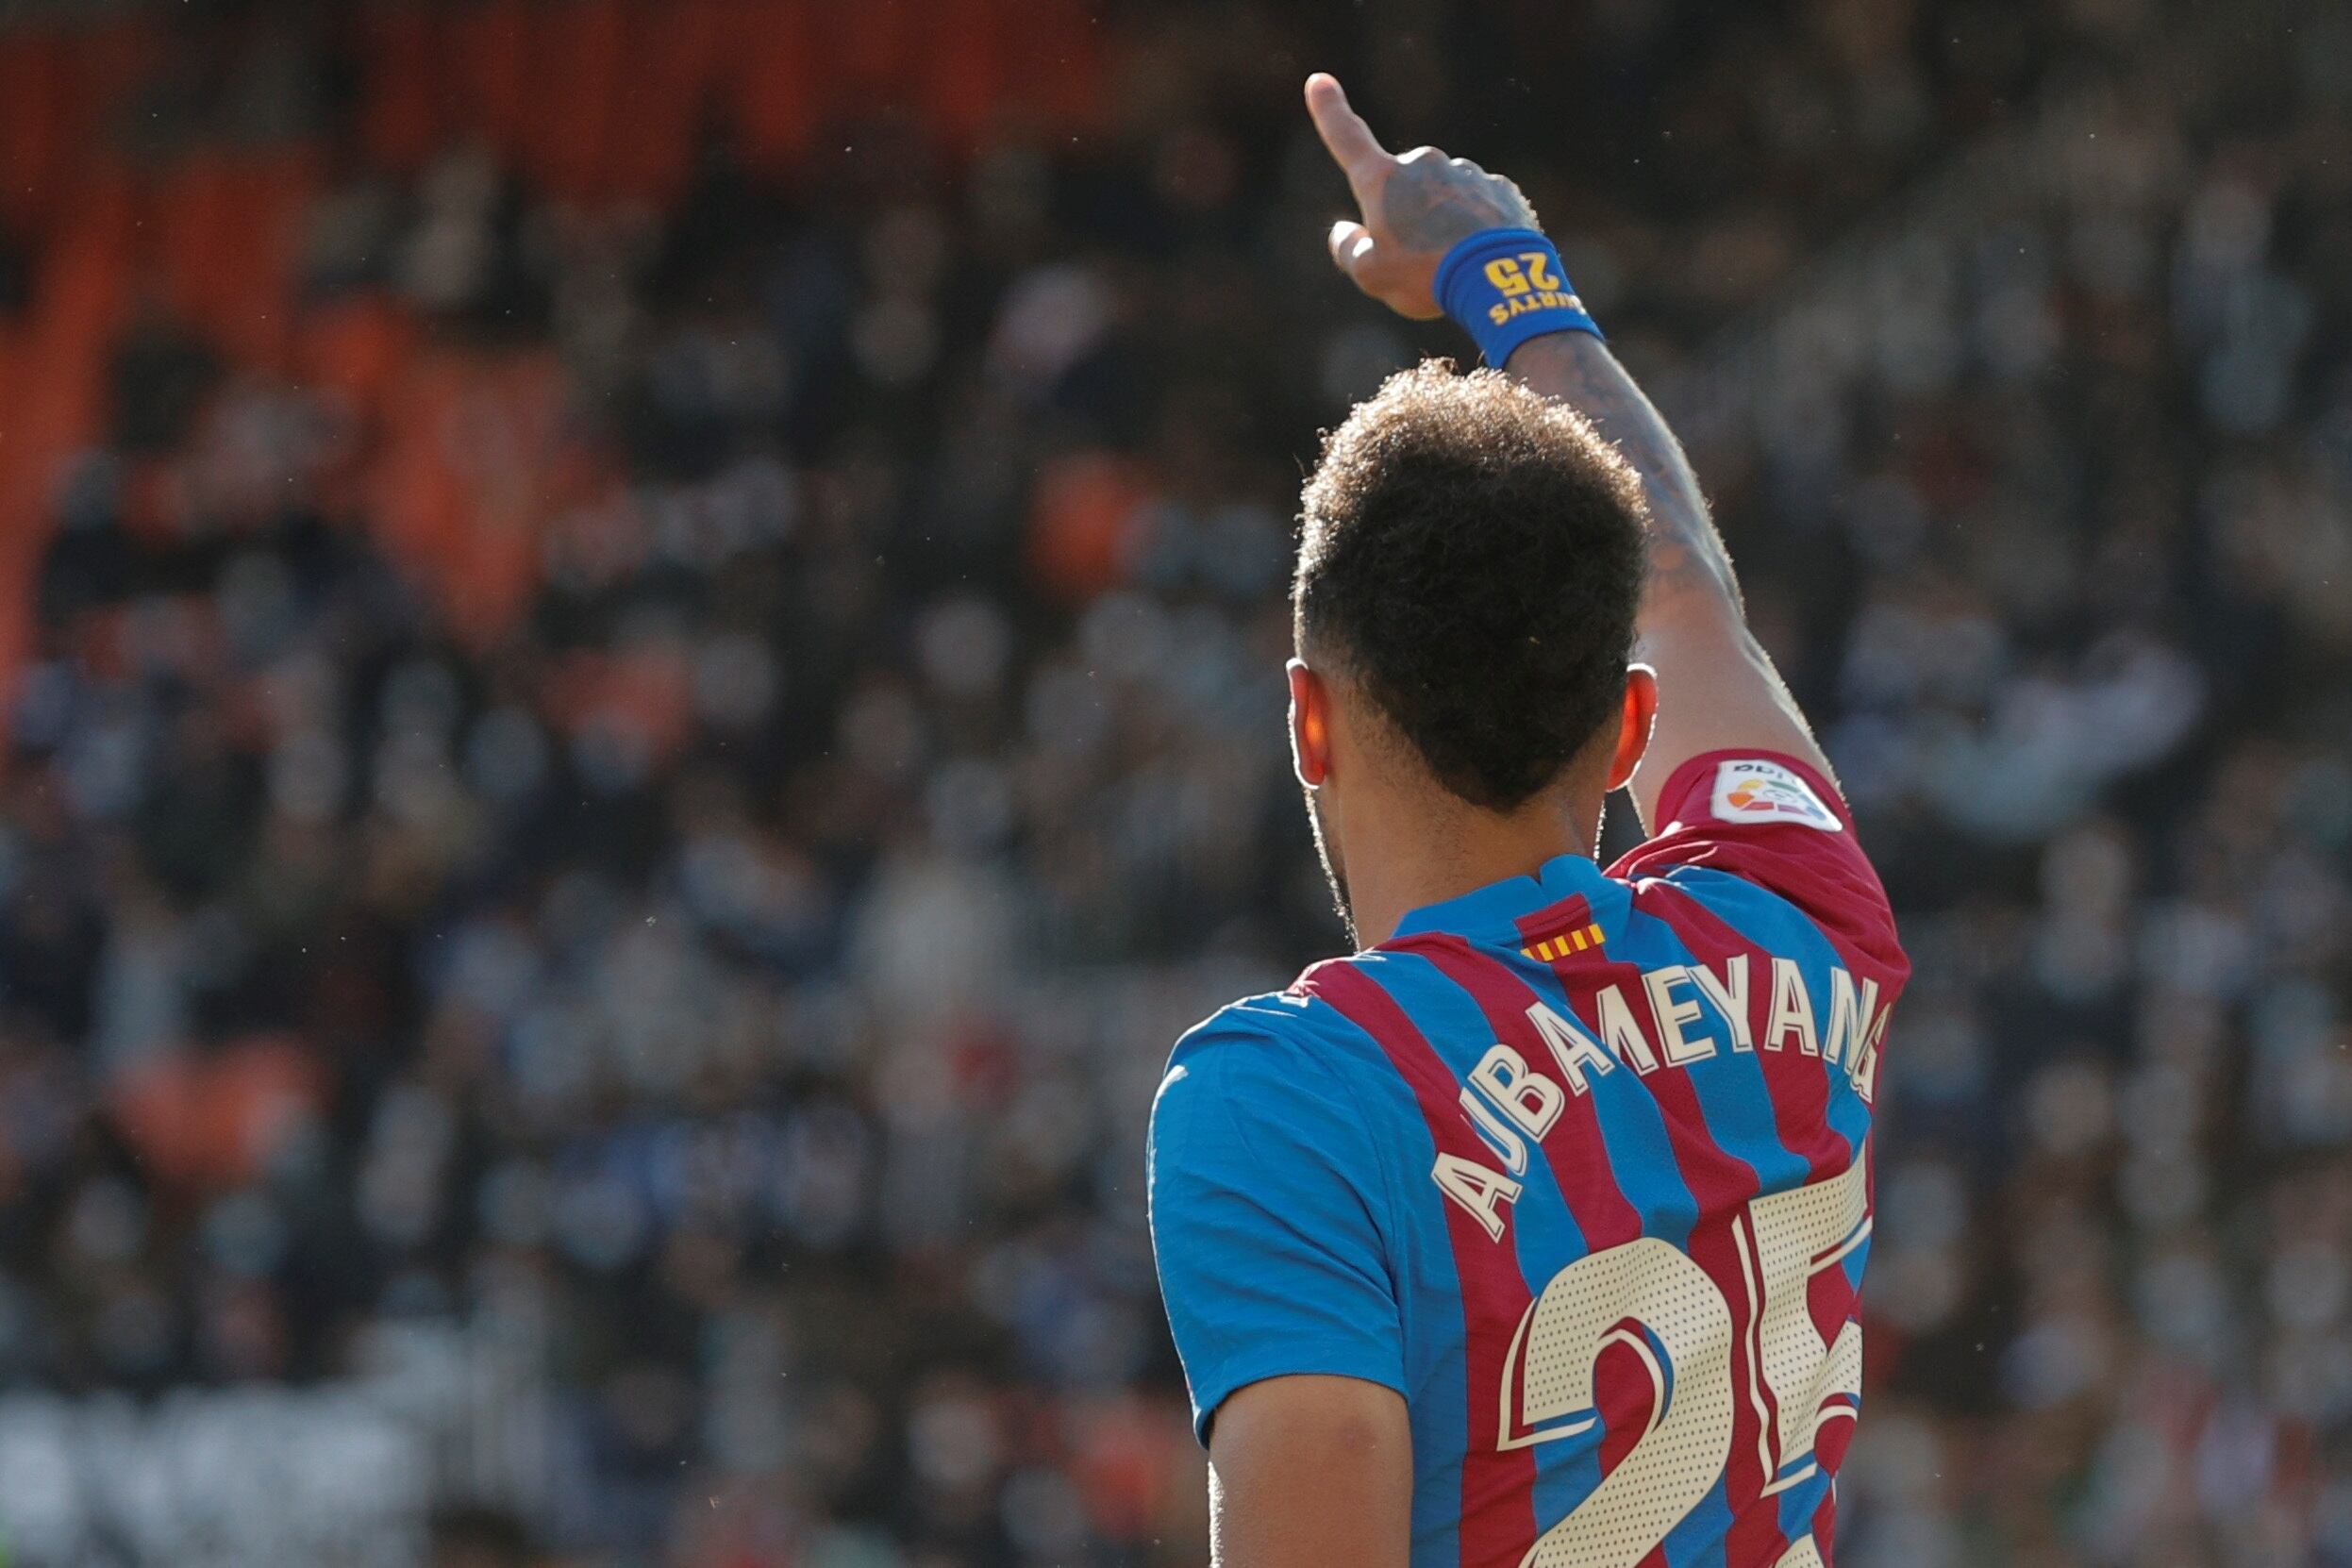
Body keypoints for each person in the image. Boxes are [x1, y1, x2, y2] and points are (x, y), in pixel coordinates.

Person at [1145, 75, 1910, 1568]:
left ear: (1307, 720)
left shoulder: (1291, 1099)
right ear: (1627, 729)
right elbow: (1685, 584)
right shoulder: (1802, 911)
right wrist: (1506, 273)